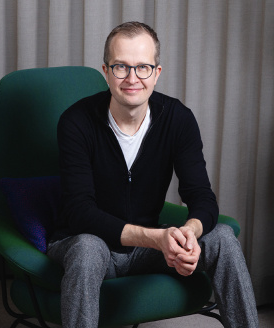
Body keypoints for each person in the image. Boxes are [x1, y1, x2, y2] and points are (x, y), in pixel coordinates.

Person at [47, 21, 258, 328]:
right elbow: (79, 212)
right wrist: (156, 238)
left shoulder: (178, 119)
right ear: (105, 71)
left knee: (223, 236)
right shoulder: (76, 122)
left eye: (143, 67)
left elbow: (201, 197)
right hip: (91, 245)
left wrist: (189, 235)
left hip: (148, 250)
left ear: (157, 73)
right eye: (121, 67)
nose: (132, 78)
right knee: (87, 248)